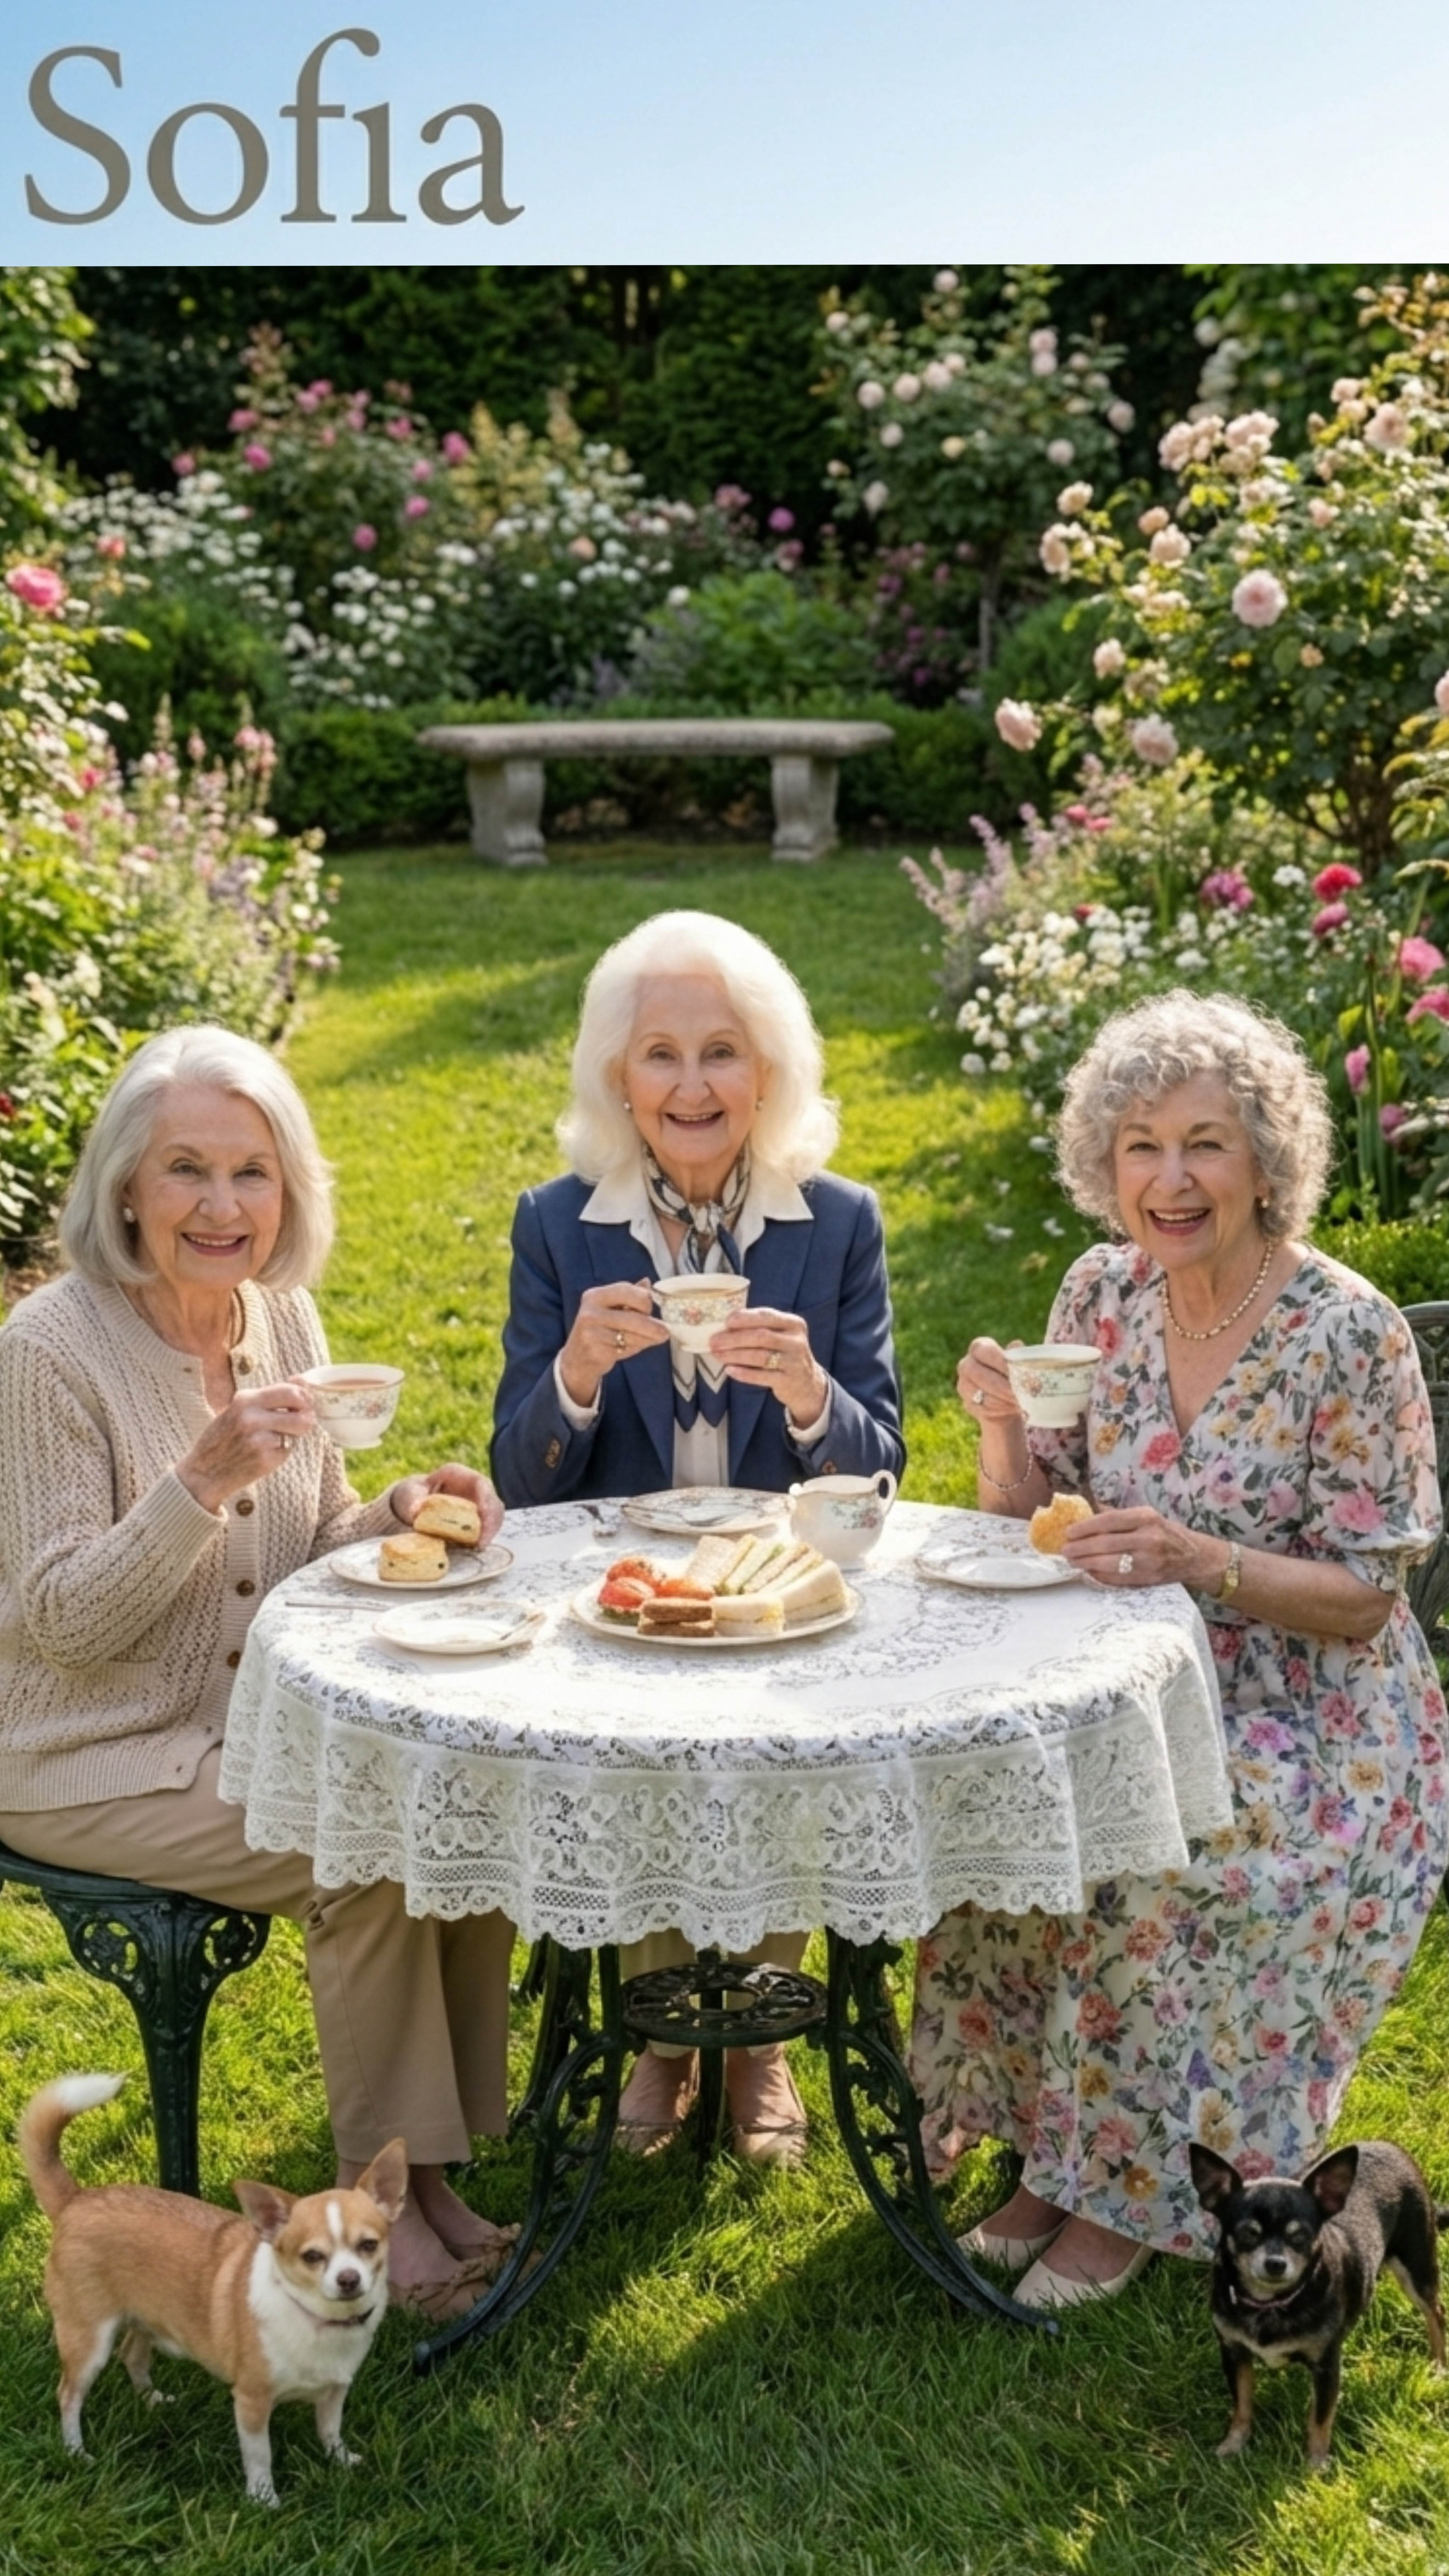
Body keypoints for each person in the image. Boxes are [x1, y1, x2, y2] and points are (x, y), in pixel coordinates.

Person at [911, 989, 1448, 2310]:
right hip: (1124, 1678)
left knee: (1163, 1857)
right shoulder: (1099, 1293)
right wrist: (998, 1430)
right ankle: (1052, 2159)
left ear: (1269, 1161)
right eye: (1141, 1142)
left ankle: (1134, 2203)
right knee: (1009, 1806)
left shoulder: (1347, 1330)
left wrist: (1201, 1559)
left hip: (1318, 1720)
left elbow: (1372, 1598)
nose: (1170, 1176)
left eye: (1206, 1142)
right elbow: (1037, 1521)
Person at [0, 1025, 515, 2322]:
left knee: (458, 1800)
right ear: (125, 1185)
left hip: (235, 1730)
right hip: (79, 1748)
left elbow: (319, 1535)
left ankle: (433, 2185)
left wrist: (399, 1503)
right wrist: (202, 1481)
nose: (222, 1206)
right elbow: (62, 1622)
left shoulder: (278, 1315)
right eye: (186, 1170)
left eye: (252, 1173)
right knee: (363, 1847)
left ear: (289, 1191)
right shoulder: (47, 1353)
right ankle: (373, 2206)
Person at [492, 909, 905, 2164]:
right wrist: (570, 1373)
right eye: (658, 1054)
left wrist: (807, 1398)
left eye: (721, 1052)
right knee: (638, 1748)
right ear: (617, 1076)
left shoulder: (834, 1223)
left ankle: (760, 2041)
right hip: (617, 1585)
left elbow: (881, 1464)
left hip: (773, 1583)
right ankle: (665, 2040)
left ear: (767, 1073)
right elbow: (519, 1478)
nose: (689, 1083)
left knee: (784, 1743)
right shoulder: (560, 1224)